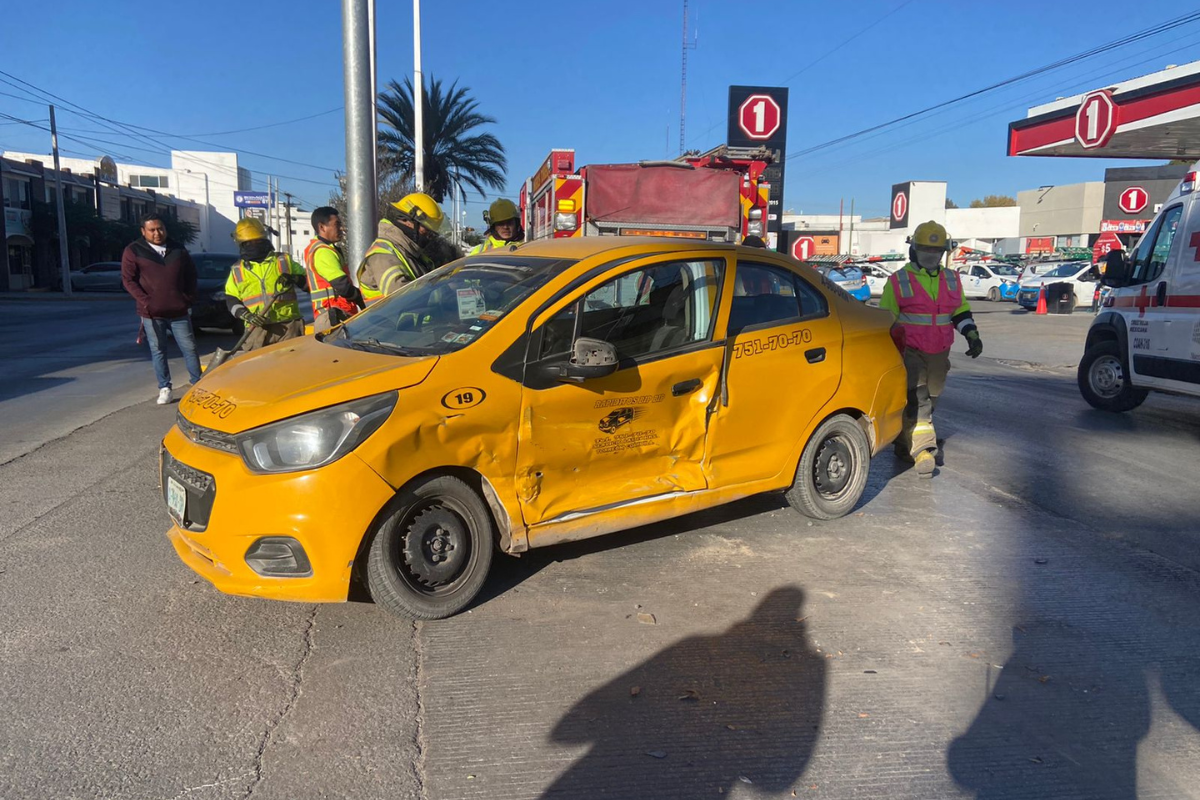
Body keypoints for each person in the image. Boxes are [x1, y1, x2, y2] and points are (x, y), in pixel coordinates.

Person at [879, 220, 982, 478]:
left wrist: (971, 334)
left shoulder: (951, 279)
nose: (931, 256)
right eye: (926, 251)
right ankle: (924, 452)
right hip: (909, 351)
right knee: (919, 397)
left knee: (931, 398)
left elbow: (959, 311)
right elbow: (885, 320)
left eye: (936, 252)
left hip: (939, 351)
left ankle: (904, 442)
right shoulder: (898, 281)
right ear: (914, 251)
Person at [121, 212, 203, 404]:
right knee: (158, 350)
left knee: (189, 348)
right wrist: (145, 301)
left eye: (160, 229)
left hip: (179, 311)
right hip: (152, 313)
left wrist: (188, 298)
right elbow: (128, 280)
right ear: (143, 231)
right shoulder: (134, 250)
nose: (157, 233)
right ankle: (165, 388)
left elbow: (191, 275)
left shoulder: (178, 249)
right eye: (152, 230)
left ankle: (198, 385)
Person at [224, 217, 308, 351]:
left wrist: (295, 278)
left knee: (291, 369)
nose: (254, 245)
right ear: (242, 244)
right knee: (260, 370)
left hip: (288, 328)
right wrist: (246, 315)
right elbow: (231, 299)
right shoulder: (237, 270)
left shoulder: (283, 260)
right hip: (256, 330)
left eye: (257, 241)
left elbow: (309, 285)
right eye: (249, 243)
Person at [357, 192, 445, 304]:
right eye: (426, 230)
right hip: (389, 321)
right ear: (408, 222)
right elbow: (401, 298)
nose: (428, 237)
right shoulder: (382, 256)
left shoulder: (412, 254)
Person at [303, 206, 361, 332]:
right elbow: (343, 286)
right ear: (322, 227)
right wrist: (361, 299)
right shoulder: (323, 251)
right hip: (334, 316)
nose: (341, 229)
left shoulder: (322, 249)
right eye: (337, 225)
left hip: (335, 314)